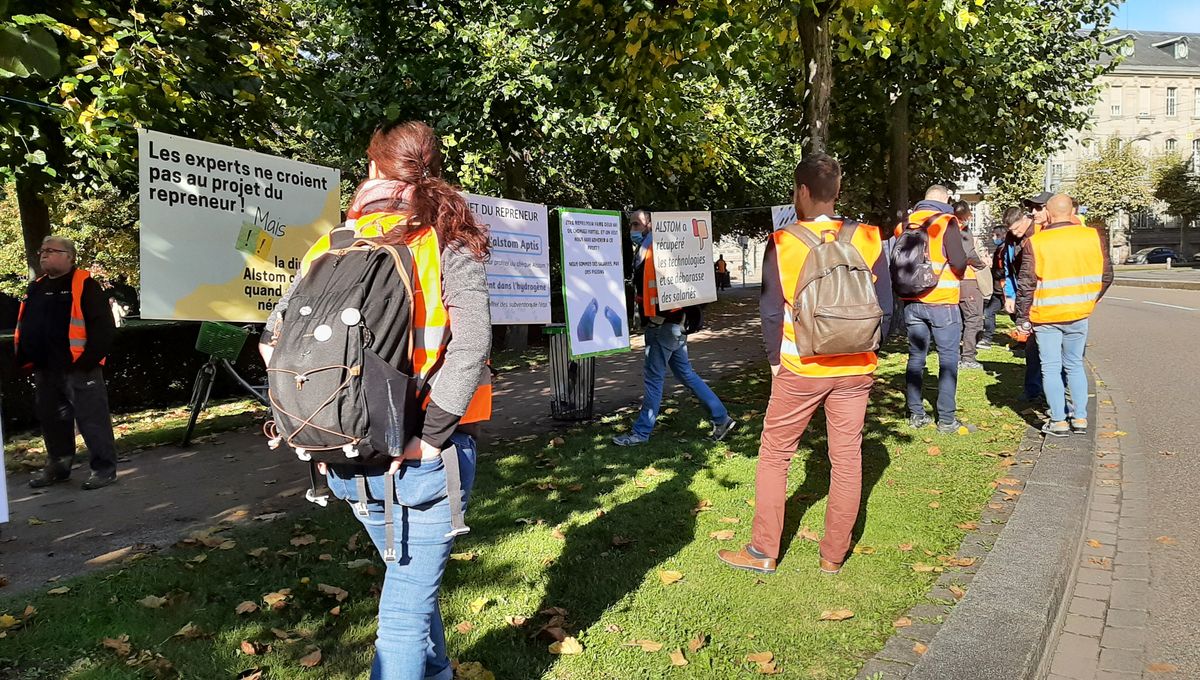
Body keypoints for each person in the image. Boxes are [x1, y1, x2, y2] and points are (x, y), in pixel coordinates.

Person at [261, 121, 491, 680]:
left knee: (408, 580)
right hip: (423, 456)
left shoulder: (331, 244)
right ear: (430, 169)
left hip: (342, 452)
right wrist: (430, 436)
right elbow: (474, 342)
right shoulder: (445, 238)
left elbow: (272, 341)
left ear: (371, 169)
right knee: (405, 613)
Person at [717, 153, 891, 575]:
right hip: (857, 367)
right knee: (847, 458)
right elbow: (885, 305)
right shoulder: (869, 237)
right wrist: (868, 350)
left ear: (803, 191)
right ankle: (833, 556)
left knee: (776, 454)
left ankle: (763, 551)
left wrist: (776, 361)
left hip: (803, 366)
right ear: (837, 192)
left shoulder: (783, 242)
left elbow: (772, 312)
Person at [612, 209, 737, 446]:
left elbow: (661, 290)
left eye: (637, 224)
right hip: (674, 324)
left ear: (650, 224)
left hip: (662, 326)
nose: (632, 230)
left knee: (653, 378)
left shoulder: (654, 251)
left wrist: (657, 319)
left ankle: (641, 432)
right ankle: (721, 417)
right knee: (685, 373)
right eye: (631, 225)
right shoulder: (665, 249)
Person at [15, 236, 118, 490]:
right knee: (52, 420)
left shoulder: (86, 285)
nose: (44, 254)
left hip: (79, 368)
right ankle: (58, 467)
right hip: (45, 368)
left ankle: (103, 469)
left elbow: (103, 328)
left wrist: (87, 362)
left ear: (69, 257)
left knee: (92, 419)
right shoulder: (36, 288)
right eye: (42, 250)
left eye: (51, 250)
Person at [1015, 193, 1113, 437]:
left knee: (1050, 367)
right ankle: (1080, 417)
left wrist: (1022, 319)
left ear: (1048, 213)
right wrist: (1090, 300)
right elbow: (1107, 275)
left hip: (1046, 315)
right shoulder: (1093, 237)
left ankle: (1058, 420)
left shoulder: (1037, 243)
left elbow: (1026, 284)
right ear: (1072, 212)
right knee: (1074, 364)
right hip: (1078, 313)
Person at [897, 185, 974, 433]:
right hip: (942, 301)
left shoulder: (905, 224)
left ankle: (916, 414)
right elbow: (959, 260)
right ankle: (947, 419)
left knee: (916, 357)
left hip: (912, 301)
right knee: (948, 359)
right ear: (946, 199)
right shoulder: (946, 222)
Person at [954, 201, 987, 369]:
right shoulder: (963, 231)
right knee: (973, 319)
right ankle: (968, 358)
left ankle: (953, 354)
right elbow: (969, 254)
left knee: (959, 319)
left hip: (952, 281)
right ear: (967, 215)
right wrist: (982, 265)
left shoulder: (946, 229)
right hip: (968, 279)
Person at [981, 224, 1008, 347]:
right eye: (993, 235)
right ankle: (987, 338)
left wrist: (994, 270)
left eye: (997, 235)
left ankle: (1025, 337)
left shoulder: (1005, 250)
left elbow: (1005, 270)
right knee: (988, 311)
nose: (994, 237)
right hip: (998, 289)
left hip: (1004, 288)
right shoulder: (1000, 249)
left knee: (1015, 314)